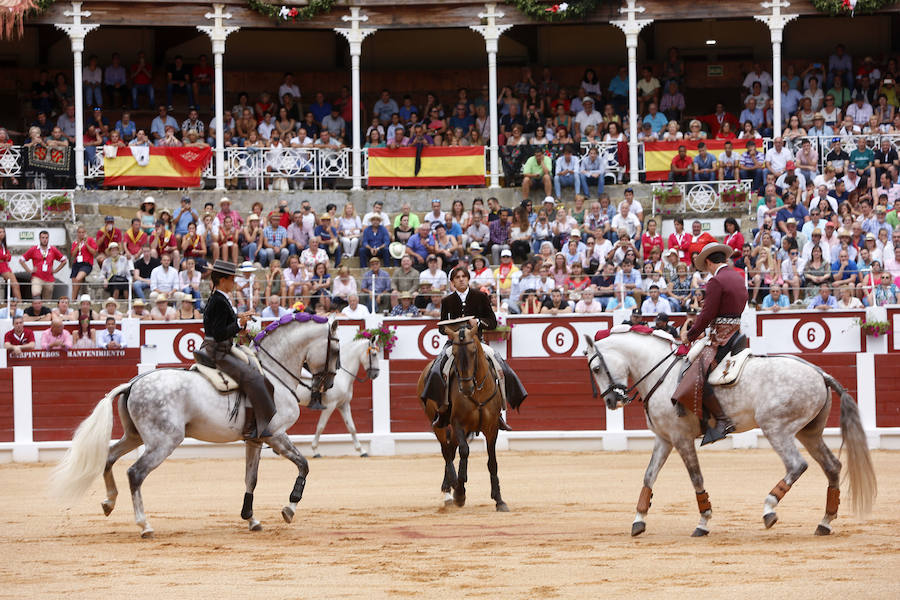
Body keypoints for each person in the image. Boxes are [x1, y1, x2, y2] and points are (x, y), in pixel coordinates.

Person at [422, 266, 527, 431]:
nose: (461, 279)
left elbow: (492, 322)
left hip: (477, 342)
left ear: (468, 279)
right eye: (457, 277)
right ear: (452, 282)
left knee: (500, 364)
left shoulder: (480, 297)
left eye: (463, 276)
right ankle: (442, 411)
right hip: (455, 344)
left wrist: (477, 322)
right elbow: (441, 328)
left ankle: (499, 411)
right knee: (437, 367)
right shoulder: (447, 301)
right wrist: (450, 328)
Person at [199, 261, 285, 441]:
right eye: (232, 279)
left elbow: (222, 327)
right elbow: (219, 333)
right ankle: (249, 427)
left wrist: (239, 327)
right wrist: (239, 323)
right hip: (218, 351)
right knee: (253, 378)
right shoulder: (219, 301)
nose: (234, 283)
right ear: (223, 280)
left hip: (220, 347)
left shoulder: (219, 298)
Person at [672, 242, 748, 446]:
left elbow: (707, 314)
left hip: (721, 339)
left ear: (708, 262)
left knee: (697, 373)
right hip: (736, 334)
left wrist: (691, 334)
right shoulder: (738, 277)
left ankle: (722, 419)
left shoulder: (716, 281)